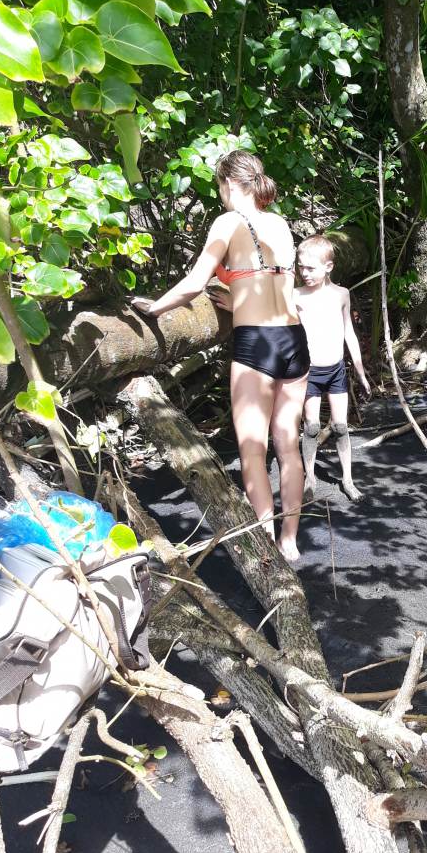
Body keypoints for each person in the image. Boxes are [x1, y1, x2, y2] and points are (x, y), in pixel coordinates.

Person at [128, 151, 308, 561]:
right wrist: (238, 296)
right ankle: (290, 540)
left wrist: (155, 308)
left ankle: (265, 547)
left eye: (219, 187)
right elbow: (268, 277)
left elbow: (195, 282)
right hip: (295, 341)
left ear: (228, 184)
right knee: (288, 446)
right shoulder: (279, 223)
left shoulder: (227, 222)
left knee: (252, 449)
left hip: (257, 344)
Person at [295, 234, 371, 502]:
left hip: (337, 369)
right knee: (312, 426)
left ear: (328, 267)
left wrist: (361, 374)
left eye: (311, 268)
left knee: (340, 426)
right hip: (310, 372)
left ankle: (348, 480)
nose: (305, 273)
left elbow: (349, 333)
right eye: (301, 266)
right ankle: (309, 478)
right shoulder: (295, 296)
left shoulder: (341, 294)